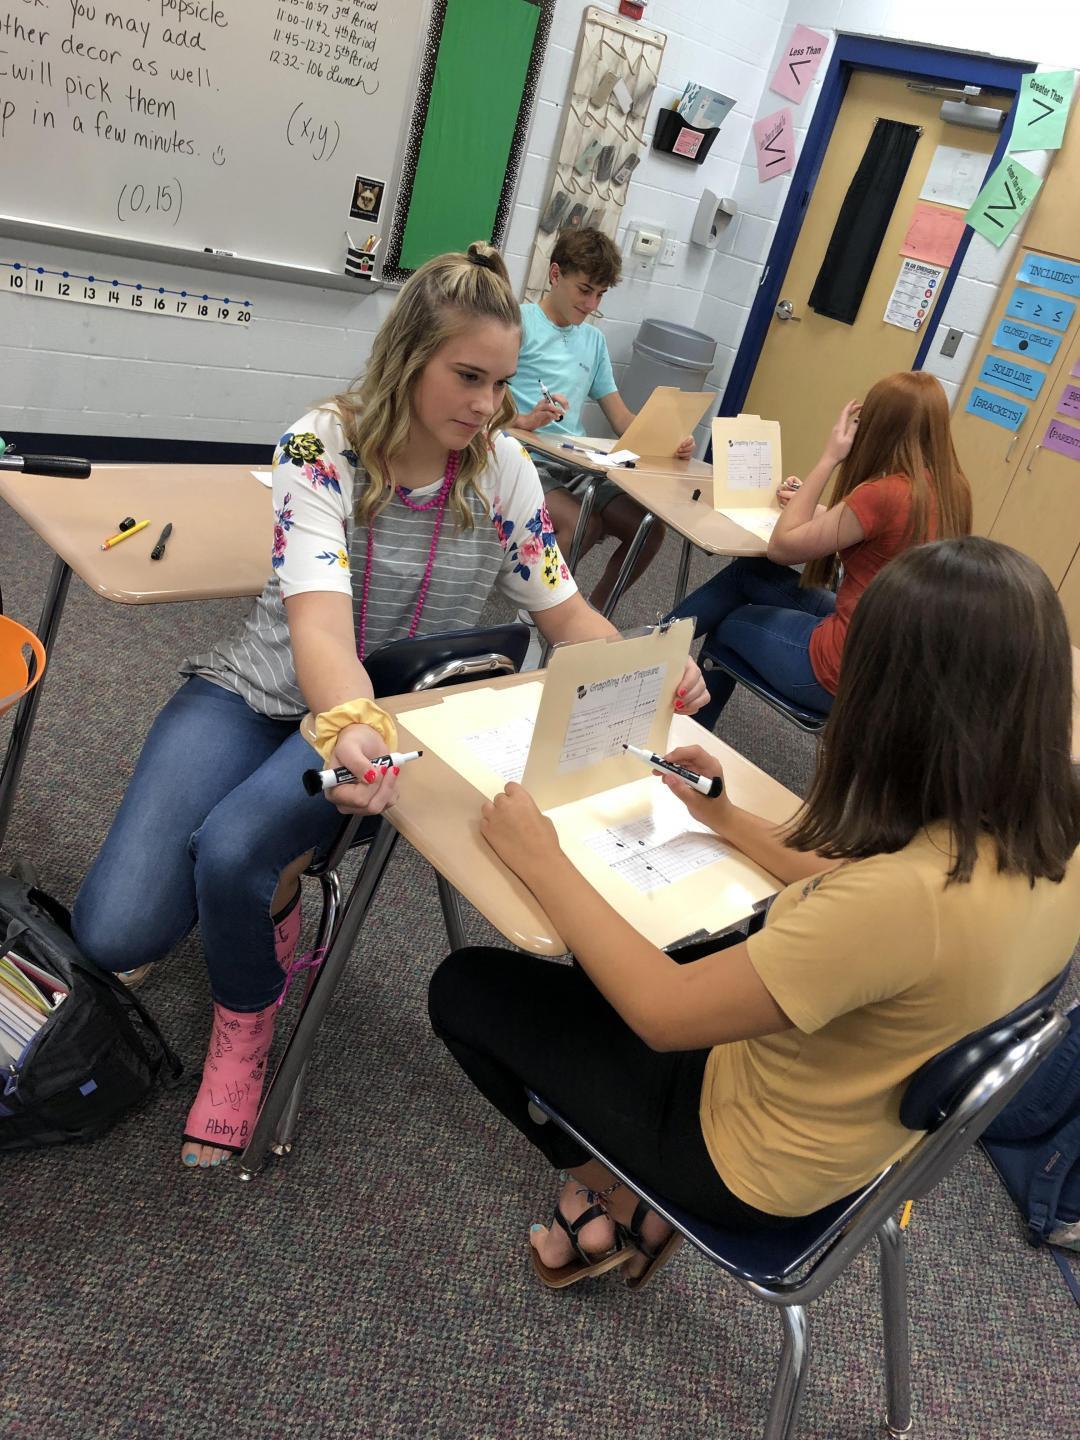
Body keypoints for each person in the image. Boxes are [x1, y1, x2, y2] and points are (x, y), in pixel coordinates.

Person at [71, 243, 709, 1171]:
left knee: (235, 847)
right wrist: (349, 728)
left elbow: (566, 612)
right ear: (410, 355)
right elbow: (321, 635)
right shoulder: (314, 446)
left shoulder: (505, 477)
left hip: (392, 728)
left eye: (497, 382)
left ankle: (246, 1022)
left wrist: (651, 675)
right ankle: (277, 908)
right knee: (116, 930)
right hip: (266, 691)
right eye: (467, 377)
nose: (488, 406)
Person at [429, 537, 1080, 1288]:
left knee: (466, 989)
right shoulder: (1043, 840)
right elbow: (863, 884)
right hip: (851, 1121)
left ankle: (610, 1195)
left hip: (743, 1160)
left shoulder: (901, 906)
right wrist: (727, 819)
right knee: (641, 929)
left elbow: (663, 1013)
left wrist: (539, 855)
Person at [667, 371, 972, 729]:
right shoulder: (953, 491)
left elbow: (783, 547)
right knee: (751, 573)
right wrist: (807, 505)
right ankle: (652, 644)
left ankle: (684, 729)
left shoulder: (885, 492)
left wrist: (830, 458)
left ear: (878, 426)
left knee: (728, 627)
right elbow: (867, 528)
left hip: (841, 670)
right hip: (887, 662)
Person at [510, 228, 696, 611]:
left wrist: (668, 439)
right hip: (525, 457)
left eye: (600, 295)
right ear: (555, 274)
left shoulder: (592, 342)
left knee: (649, 529)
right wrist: (524, 419)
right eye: (585, 290)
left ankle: (592, 614)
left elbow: (621, 419)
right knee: (582, 526)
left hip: (578, 463)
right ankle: (536, 615)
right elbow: (486, 403)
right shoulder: (518, 323)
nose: (591, 304)